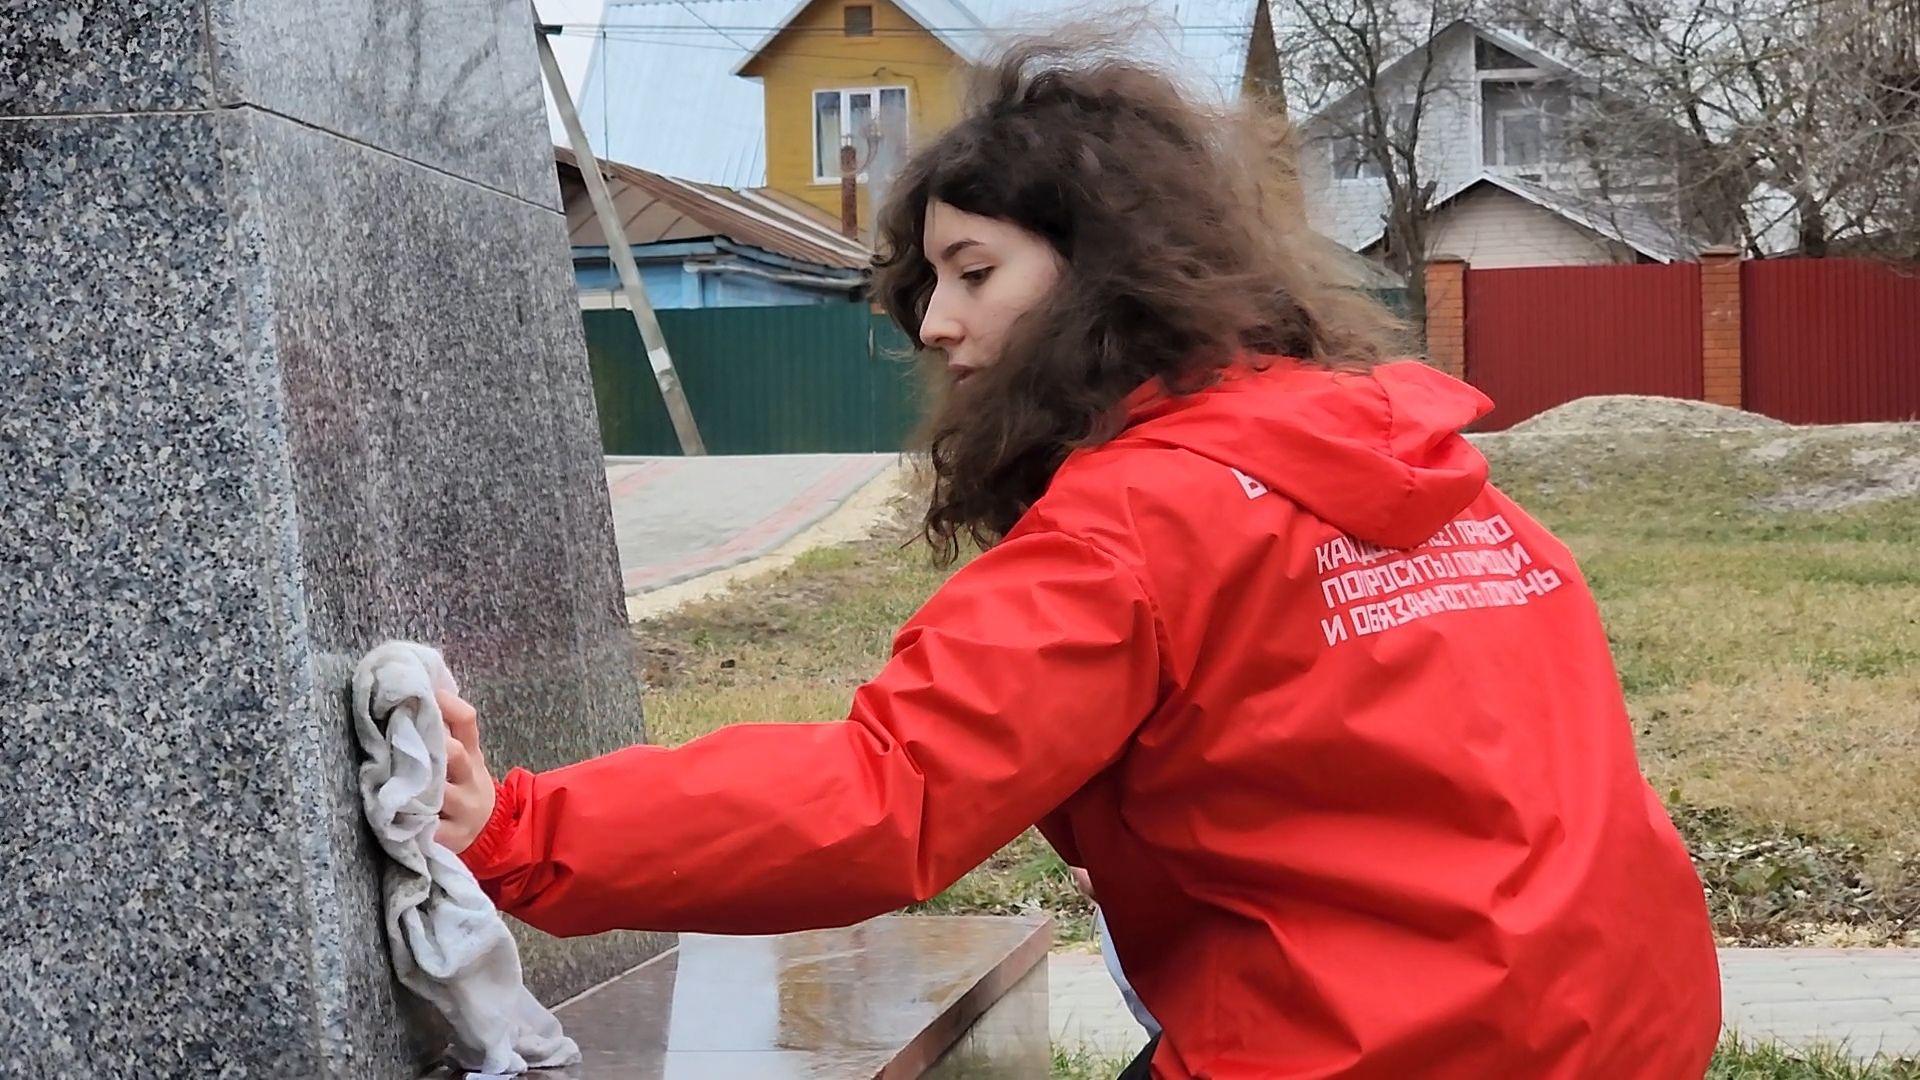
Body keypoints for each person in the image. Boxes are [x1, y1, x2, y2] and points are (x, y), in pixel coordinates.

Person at [432, 36, 1724, 1079]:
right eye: (928, 285)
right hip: (1619, 1024)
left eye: (972, 272)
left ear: (1104, 273)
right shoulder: (1433, 475)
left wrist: (520, 829)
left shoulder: (1136, 524)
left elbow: (886, 796)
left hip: (1374, 1046)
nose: (935, 325)